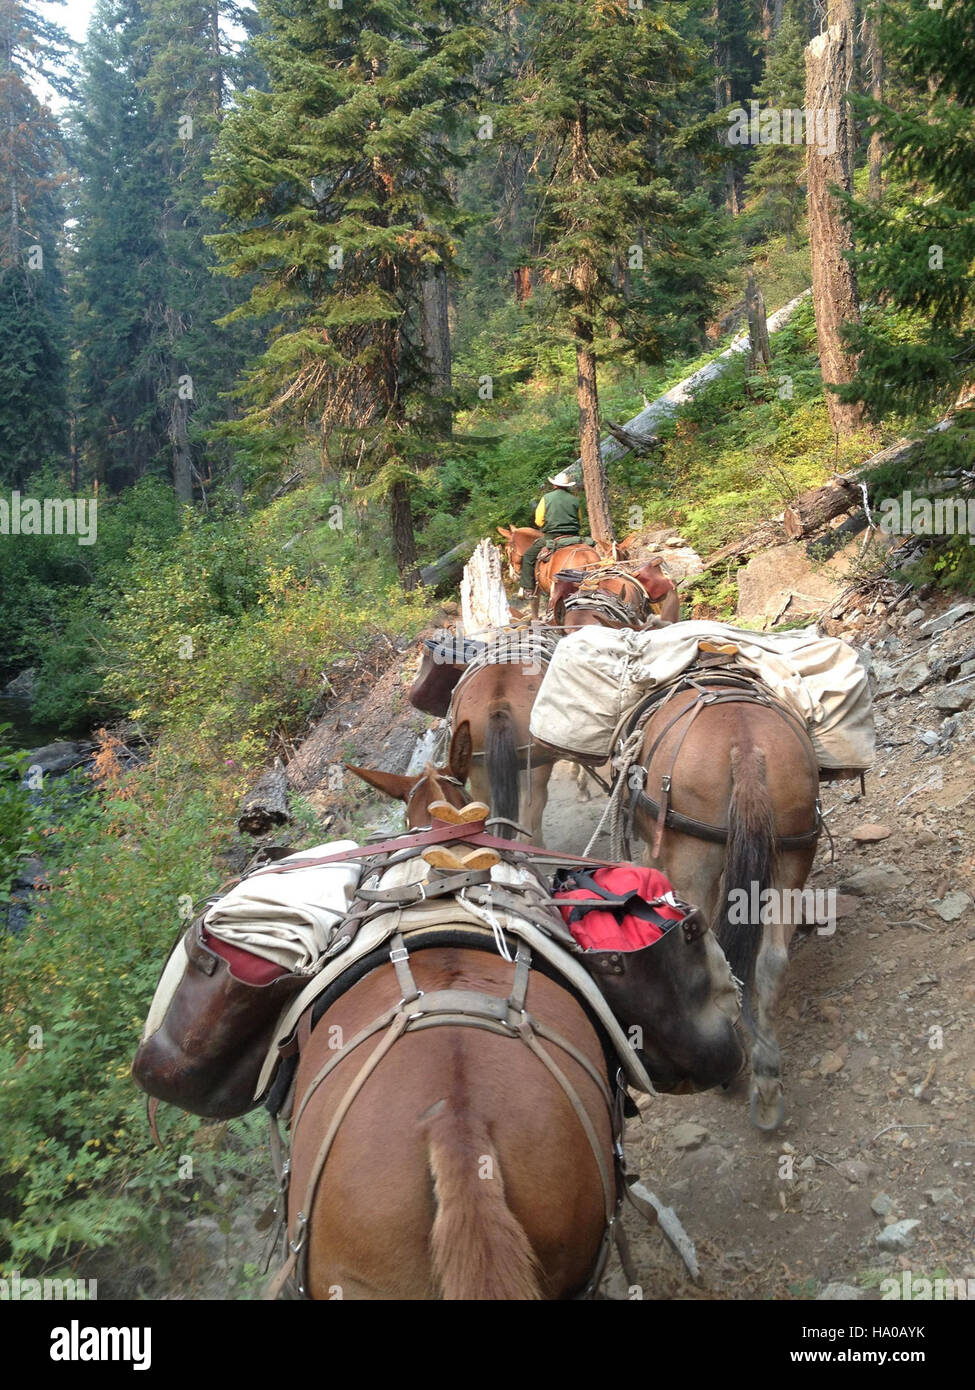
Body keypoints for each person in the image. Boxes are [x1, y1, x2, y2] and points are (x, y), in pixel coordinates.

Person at [520, 470, 584, 596]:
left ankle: (528, 588)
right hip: (574, 536)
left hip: (552, 536)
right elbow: (580, 519)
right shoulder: (575, 500)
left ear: (554, 485)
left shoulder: (546, 498)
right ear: (567, 486)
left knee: (528, 556)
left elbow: (538, 521)